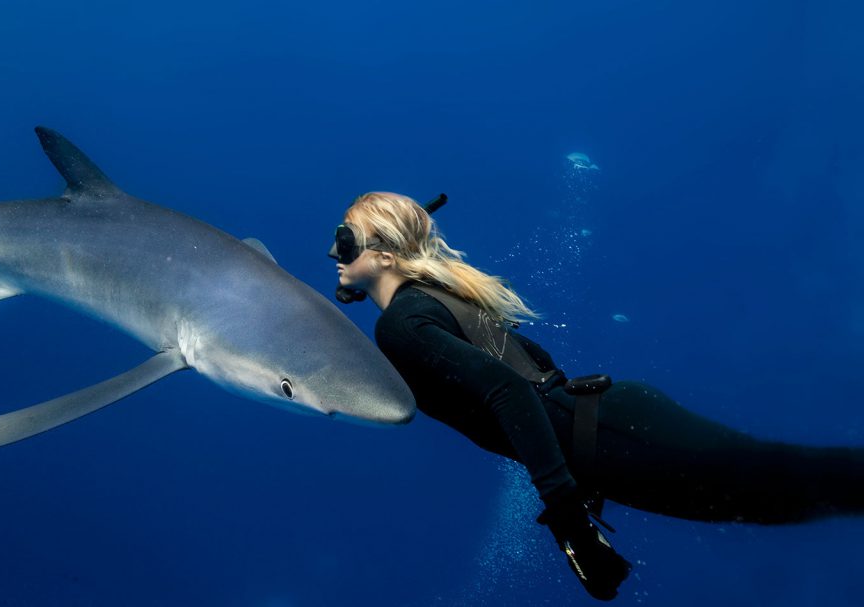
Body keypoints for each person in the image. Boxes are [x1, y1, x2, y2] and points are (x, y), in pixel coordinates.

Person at [328, 191, 864, 601]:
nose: (334, 252)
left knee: (795, 484)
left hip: (612, 440)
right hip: (610, 429)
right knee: (784, 498)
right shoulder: (437, 297)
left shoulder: (401, 324)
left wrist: (569, 521)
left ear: (383, 254)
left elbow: (510, 390)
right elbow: (537, 369)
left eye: (345, 239)